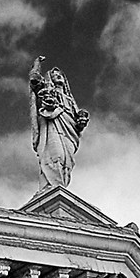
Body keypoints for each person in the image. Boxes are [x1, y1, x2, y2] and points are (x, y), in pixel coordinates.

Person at [28, 56, 90, 189]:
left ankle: (60, 186)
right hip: (53, 125)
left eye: (60, 75)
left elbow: (77, 123)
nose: (58, 76)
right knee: (56, 156)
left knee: (67, 162)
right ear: (50, 78)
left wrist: (81, 120)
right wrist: (37, 65)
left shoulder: (70, 100)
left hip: (69, 131)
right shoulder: (47, 91)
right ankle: (51, 185)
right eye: (55, 75)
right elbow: (34, 81)